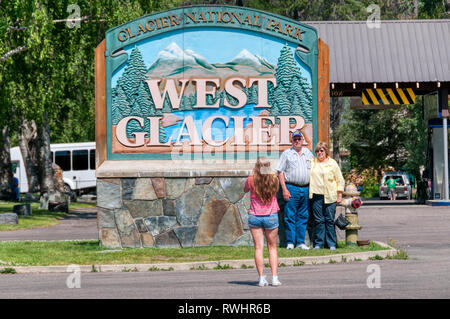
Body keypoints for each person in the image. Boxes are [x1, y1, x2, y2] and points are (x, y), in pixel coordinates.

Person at [244, 157, 282, 287]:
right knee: (272, 247)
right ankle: (275, 278)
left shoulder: (251, 179)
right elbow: (275, 191)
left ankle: (261, 278)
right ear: (268, 165)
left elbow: (245, 189)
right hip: (270, 215)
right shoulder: (273, 179)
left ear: (256, 166)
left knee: (258, 247)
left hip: (255, 215)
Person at [276, 131, 313, 250]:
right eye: (295, 139)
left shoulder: (308, 153)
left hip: (306, 188)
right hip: (291, 187)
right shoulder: (286, 154)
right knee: (290, 216)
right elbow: (280, 172)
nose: (297, 141)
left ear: (303, 140)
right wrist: (284, 190)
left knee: (303, 216)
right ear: (292, 141)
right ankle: (290, 243)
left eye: (299, 139)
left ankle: (300, 243)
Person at [309, 141, 345, 251]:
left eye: (322, 150)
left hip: (330, 195)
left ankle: (331, 243)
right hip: (316, 195)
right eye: (317, 151)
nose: (319, 153)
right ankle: (319, 243)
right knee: (319, 220)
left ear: (326, 151)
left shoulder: (332, 163)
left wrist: (339, 195)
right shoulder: (312, 162)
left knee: (329, 220)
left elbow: (340, 180)